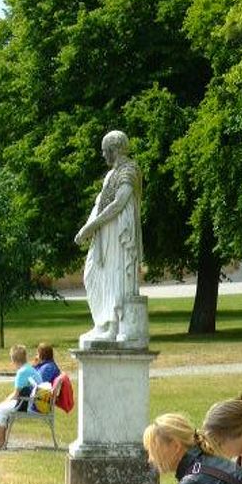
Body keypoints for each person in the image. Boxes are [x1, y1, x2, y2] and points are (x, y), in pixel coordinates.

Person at [74, 130, 143, 344]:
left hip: (118, 232)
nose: (103, 155)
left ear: (115, 149)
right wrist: (87, 228)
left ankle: (113, 326)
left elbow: (119, 203)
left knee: (115, 276)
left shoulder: (129, 170)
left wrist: (91, 226)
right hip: (104, 231)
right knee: (91, 274)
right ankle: (101, 323)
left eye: (105, 151)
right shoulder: (110, 175)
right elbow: (99, 204)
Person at [0, 344, 42, 451]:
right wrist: (5, 401)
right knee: (1, 408)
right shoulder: (30, 368)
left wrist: (4, 402)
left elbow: (16, 395)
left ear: (13, 360)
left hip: (27, 404)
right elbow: (18, 393)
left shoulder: (21, 372)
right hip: (33, 402)